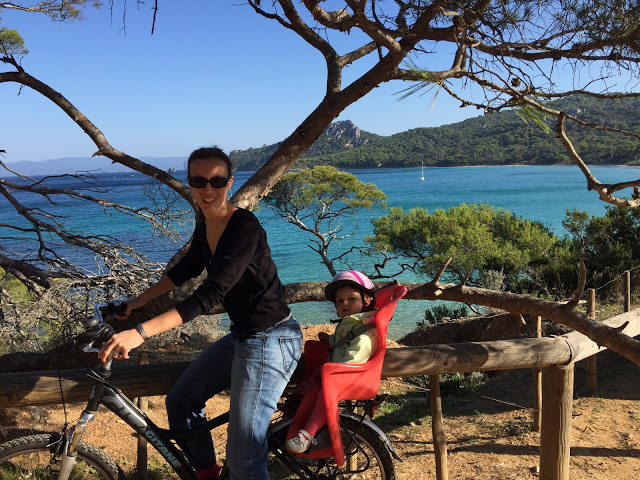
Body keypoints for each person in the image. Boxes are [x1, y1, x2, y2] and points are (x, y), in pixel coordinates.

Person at [99, 146, 302, 480]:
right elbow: (186, 269)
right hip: (242, 335)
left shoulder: (244, 227)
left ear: (230, 182)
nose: (208, 189)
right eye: (198, 181)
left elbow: (210, 294)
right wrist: (137, 302)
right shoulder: (206, 223)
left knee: (244, 459)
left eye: (217, 181)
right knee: (181, 403)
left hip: (272, 339)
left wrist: (140, 333)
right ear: (190, 182)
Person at [284, 270, 378, 454]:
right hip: (337, 373)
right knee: (315, 379)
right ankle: (300, 402)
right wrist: (330, 339)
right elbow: (344, 339)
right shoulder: (352, 322)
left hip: (349, 375)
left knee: (324, 396)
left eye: (351, 299)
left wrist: (337, 369)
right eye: (340, 301)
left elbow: (357, 354)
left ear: (366, 300)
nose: (345, 303)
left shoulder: (364, 330)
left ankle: (307, 435)